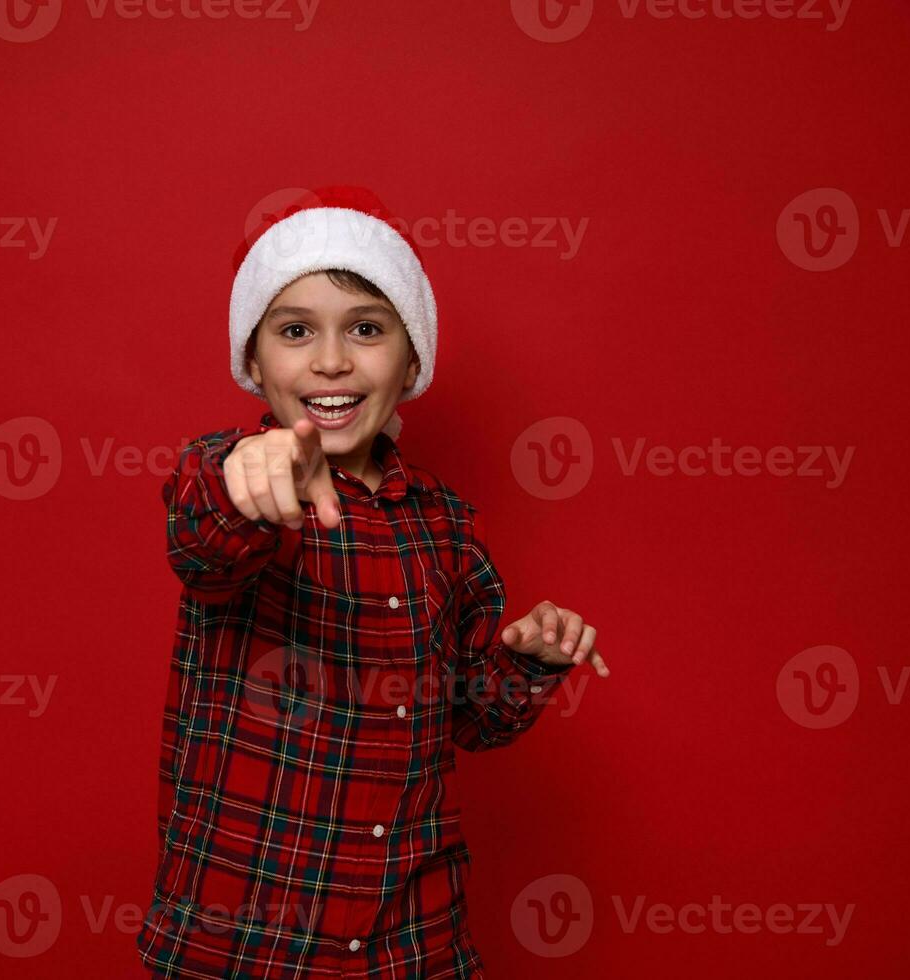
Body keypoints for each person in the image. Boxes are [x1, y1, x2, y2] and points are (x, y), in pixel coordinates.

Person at [135, 185, 608, 978]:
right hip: (247, 943)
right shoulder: (222, 473)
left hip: (409, 939)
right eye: (294, 331)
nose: (330, 360)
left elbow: (468, 718)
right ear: (253, 360)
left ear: (411, 356)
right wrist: (245, 480)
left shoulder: (447, 526)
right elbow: (203, 542)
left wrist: (530, 662)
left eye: (364, 329)